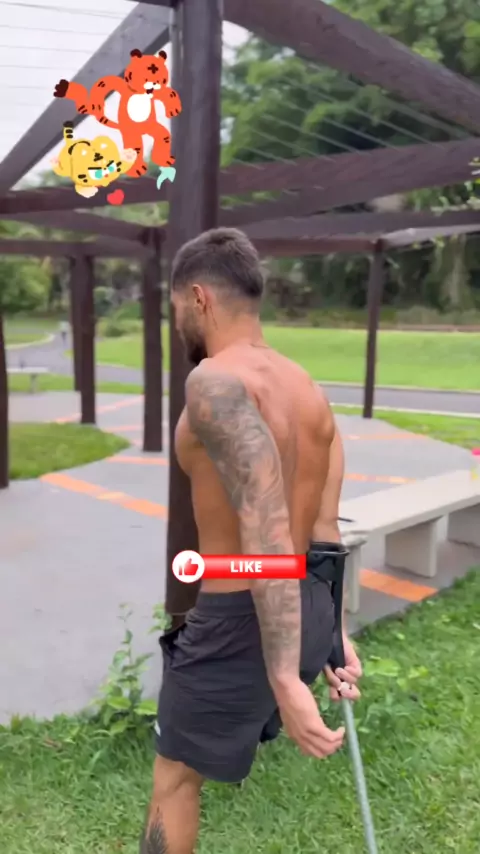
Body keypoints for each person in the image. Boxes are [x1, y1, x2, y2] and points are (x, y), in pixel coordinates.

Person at [141, 228, 362, 854]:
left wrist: (286, 680)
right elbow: (324, 530)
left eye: (176, 308)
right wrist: (332, 632)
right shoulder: (307, 387)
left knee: (175, 779)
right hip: (306, 604)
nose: (177, 322)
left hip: (242, 614)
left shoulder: (215, 382)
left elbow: (267, 532)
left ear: (199, 298)